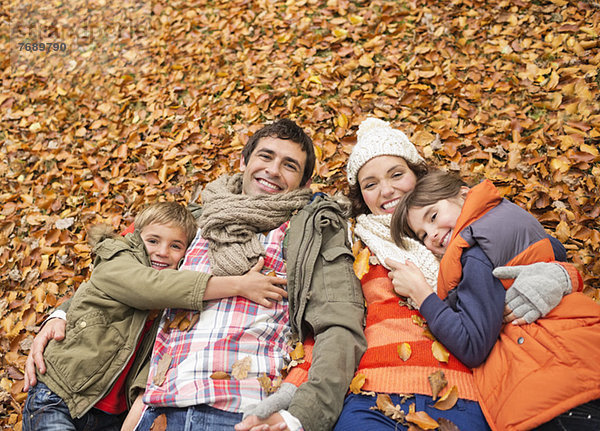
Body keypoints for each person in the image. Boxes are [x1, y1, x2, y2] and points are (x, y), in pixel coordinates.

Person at [25, 119, 367, 431]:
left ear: (303, 183)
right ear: (244, 162)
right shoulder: (192, 219)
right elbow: (120, 274)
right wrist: (61, 314)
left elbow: (339, 325)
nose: (274, 170)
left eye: (289, 165)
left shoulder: (310, 231)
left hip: (241, 411)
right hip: (155, 409)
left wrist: (303, 417)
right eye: (266, 156)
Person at [241, 117, 580, 430]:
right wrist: (292, 394)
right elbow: (332, 321)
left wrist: (562, 277)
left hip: (466, 392)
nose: (386, 191)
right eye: (370, 184)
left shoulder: (454, 225)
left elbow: (533, 254)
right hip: (371, 397)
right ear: (361, 197)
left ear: (417, 174)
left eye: (396, 175)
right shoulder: (352, 242)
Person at [22, 201, 291, 431]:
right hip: (60, 394)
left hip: (107, 416)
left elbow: (155, 361)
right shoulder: (117, 261)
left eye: (176, 246)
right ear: (136, 237)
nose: (163, 252)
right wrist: (239, 284)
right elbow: (151, 286)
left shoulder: (169, 307)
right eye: (153, 241)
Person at [390, 170, 600, 430]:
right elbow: (554, 249)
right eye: (422, 235)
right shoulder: (502, 217)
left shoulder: (475, 250)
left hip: (553, 388)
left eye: (433, 217)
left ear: (464, 194)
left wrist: (423, 296)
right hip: (581, 352)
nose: (432, 234)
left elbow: (472, 344)